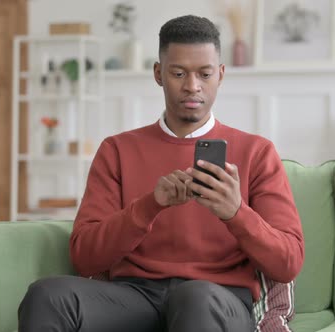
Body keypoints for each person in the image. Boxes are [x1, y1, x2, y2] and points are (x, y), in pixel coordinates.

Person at [18, 14, 304, 332]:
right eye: (178, 73)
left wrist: (236, 213)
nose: (192, 86)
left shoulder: (257, 152)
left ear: (220, 75)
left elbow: (288, 262)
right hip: (135, 297)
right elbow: (85, 257)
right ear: (158, 73)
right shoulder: (117, 150)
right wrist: (150, 205)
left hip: (218, 300)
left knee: (194, 297)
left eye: (204, 74)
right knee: (47, 295)